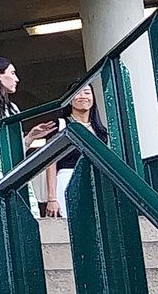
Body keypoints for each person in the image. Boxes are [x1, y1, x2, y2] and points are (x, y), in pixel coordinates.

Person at [0, 58, 56, 195]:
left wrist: (30, 137)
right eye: (12, 73)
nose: (16, 79)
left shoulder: (12, 109)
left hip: (15, 174)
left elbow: (16, 150)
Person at [50, 84, 107, 217]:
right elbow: (51, 163)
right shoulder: (60, 125)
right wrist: (52, 198)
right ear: (69, 99)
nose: (83, 97)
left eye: (87, 93)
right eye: (78, 93)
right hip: (68, 180)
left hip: (96, 182)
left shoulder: (100, 130)